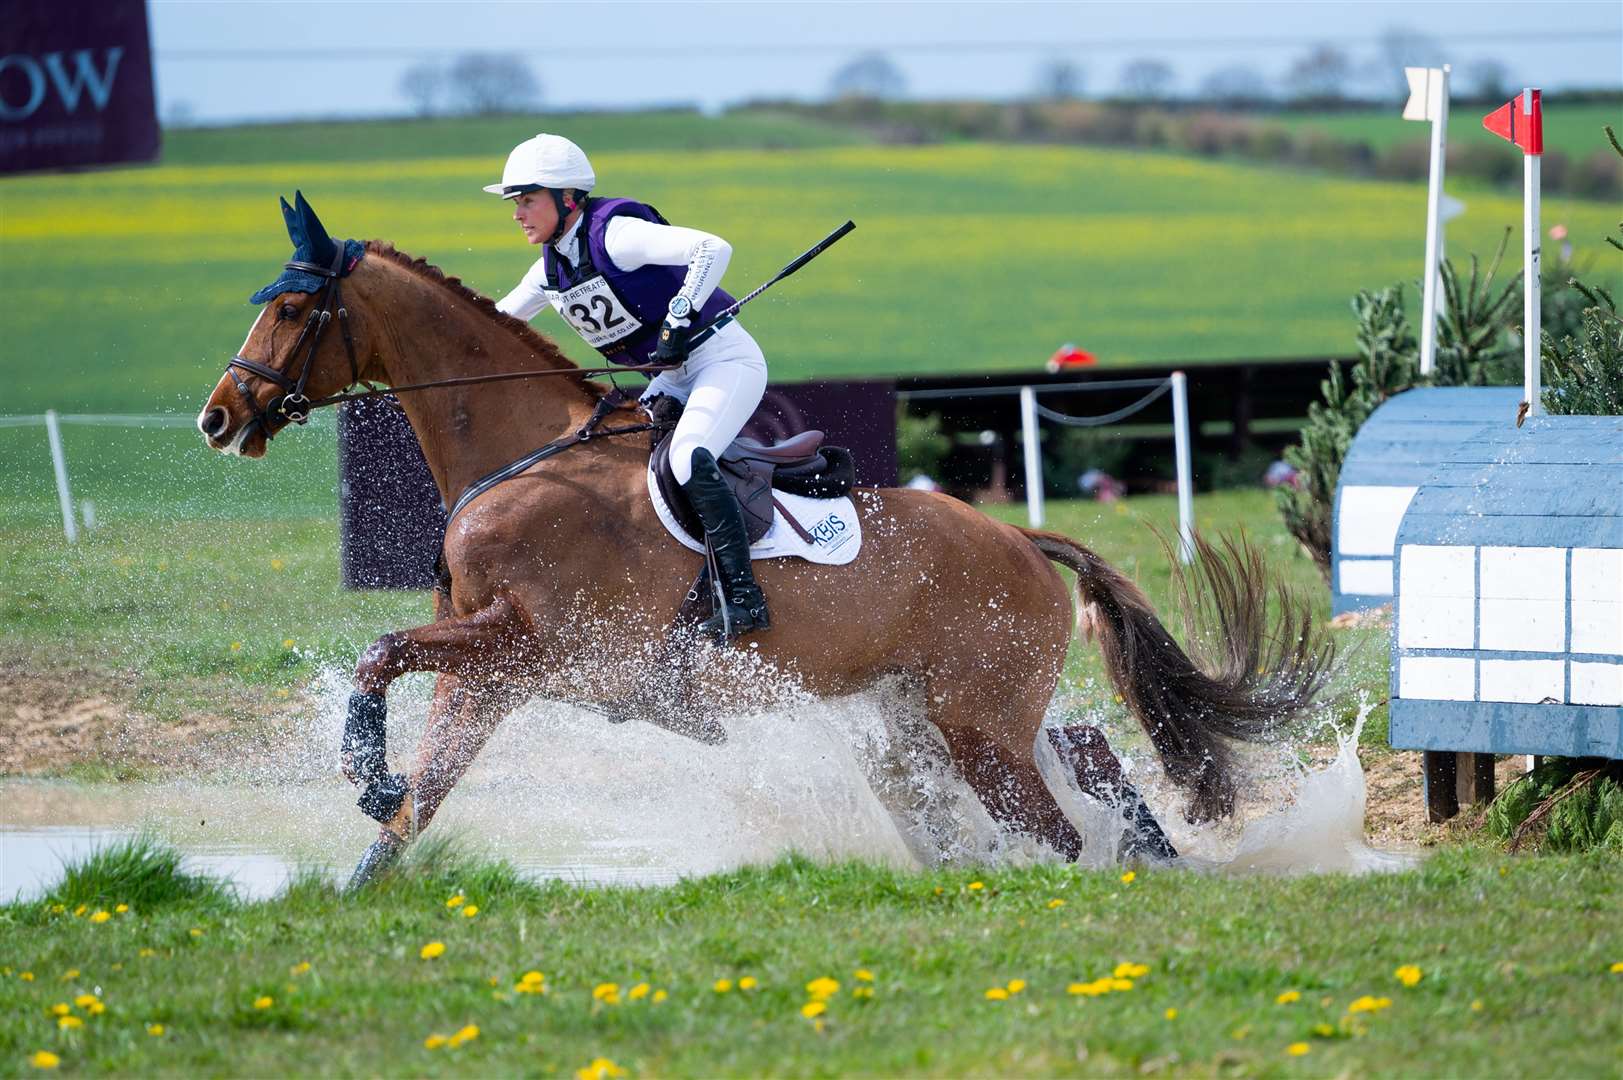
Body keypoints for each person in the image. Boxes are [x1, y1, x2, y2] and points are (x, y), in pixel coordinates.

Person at [486, 133, 770, 641]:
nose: (517, 214)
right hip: (670, 379)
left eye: (527, 200)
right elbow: (496, 323)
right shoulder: (549, 271)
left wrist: (680, 315)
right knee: (616, 463)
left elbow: (712, 247)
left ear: (566, 198)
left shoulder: (615, 234)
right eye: (515, 203)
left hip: (723, 361)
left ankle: (745, 599)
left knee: (687, 459)